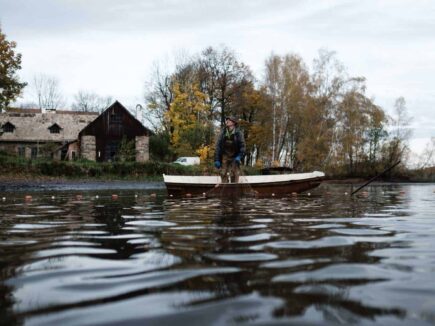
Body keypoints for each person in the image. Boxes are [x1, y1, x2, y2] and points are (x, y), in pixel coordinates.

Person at [214, 116, 245, 183]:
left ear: (233, 123)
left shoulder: (239, 133)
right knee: (223, 173)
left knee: (234, 174)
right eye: (226, 120)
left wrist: (239, 156)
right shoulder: (223, 133)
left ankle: (234, 188)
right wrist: (217, 159)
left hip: (235, 156)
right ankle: (225, 187)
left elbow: (242, 146)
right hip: (225, 155)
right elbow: (218, 146)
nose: (227, 121)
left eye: (229, 120)